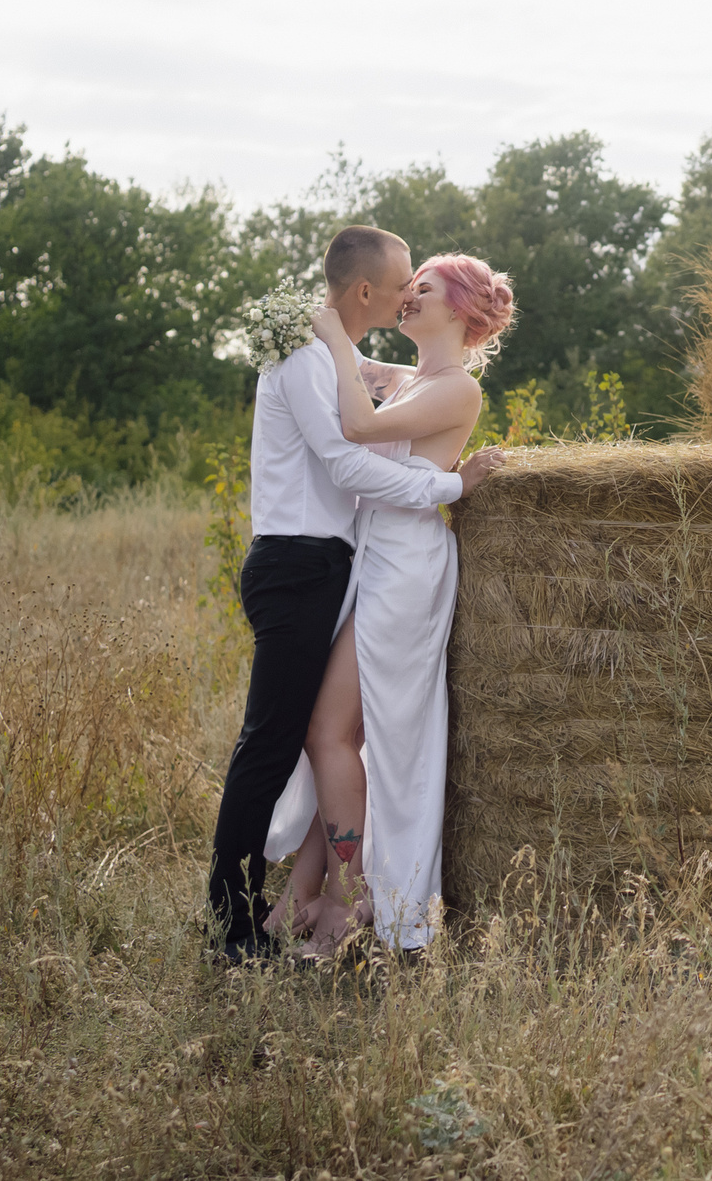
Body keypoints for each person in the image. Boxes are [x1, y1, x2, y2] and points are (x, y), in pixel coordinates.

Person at [206, 227, 505, 964]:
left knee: (329, 733)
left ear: (461, 311)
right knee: (327, 735)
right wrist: (323, 333)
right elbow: (361, 371)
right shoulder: (407, 377)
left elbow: (357, 426)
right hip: (366, 560)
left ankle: (348, 900)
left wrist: (335, 341)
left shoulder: (457, 386)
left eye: (425, 288)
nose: (410, 295)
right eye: (406, 284)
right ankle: (308, 895)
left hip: (402, 567)